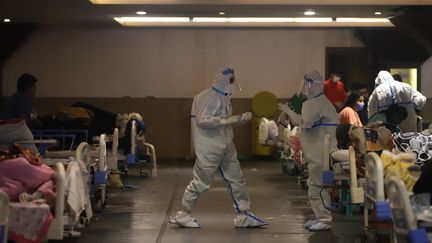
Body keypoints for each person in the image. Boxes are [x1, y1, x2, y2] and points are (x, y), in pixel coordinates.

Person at [170, 67, 268, 228]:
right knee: (201, 182)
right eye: (231, 81)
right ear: (224, 81)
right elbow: (203, 121)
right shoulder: (208, 97)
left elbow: (223, 122)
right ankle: (184, 214)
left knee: (237, 179)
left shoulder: (224, 98)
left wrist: (239, 120)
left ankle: (243, 214)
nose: (233, 84)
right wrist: (230, 120)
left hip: (226, 146)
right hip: (209, 148)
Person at [278, 70, 339, 231]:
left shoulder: (313, 103)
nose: (304, 88)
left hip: (321, 153)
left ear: (311, 85)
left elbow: (305, 122)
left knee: (318, 185)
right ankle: (320, 216)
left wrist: (289, 111)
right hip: (322, 151)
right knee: (315, 184)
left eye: (306, 84)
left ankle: (324, 219)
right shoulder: (322, 102)